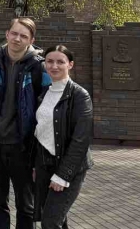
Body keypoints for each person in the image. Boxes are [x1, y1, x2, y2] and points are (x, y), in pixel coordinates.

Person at [0, 17, 52, 229]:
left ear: (32, 39)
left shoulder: (40, 67)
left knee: (26, 206)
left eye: (23, 36)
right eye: (14, 33)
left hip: (24, 148)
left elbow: (49, 110)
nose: (17, 38)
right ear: (7, 34)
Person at [33, 45, 93, 229]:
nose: (54, 66)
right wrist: (36, 165)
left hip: (69, 168)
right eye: (50, 61)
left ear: (70, 65)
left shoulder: (79, 95)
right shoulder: (44, 93)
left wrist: (63, 175)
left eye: (60, 62)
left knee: (51, 222)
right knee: (56, 220)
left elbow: (80, 140)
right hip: (45, 165)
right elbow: (40, 131)